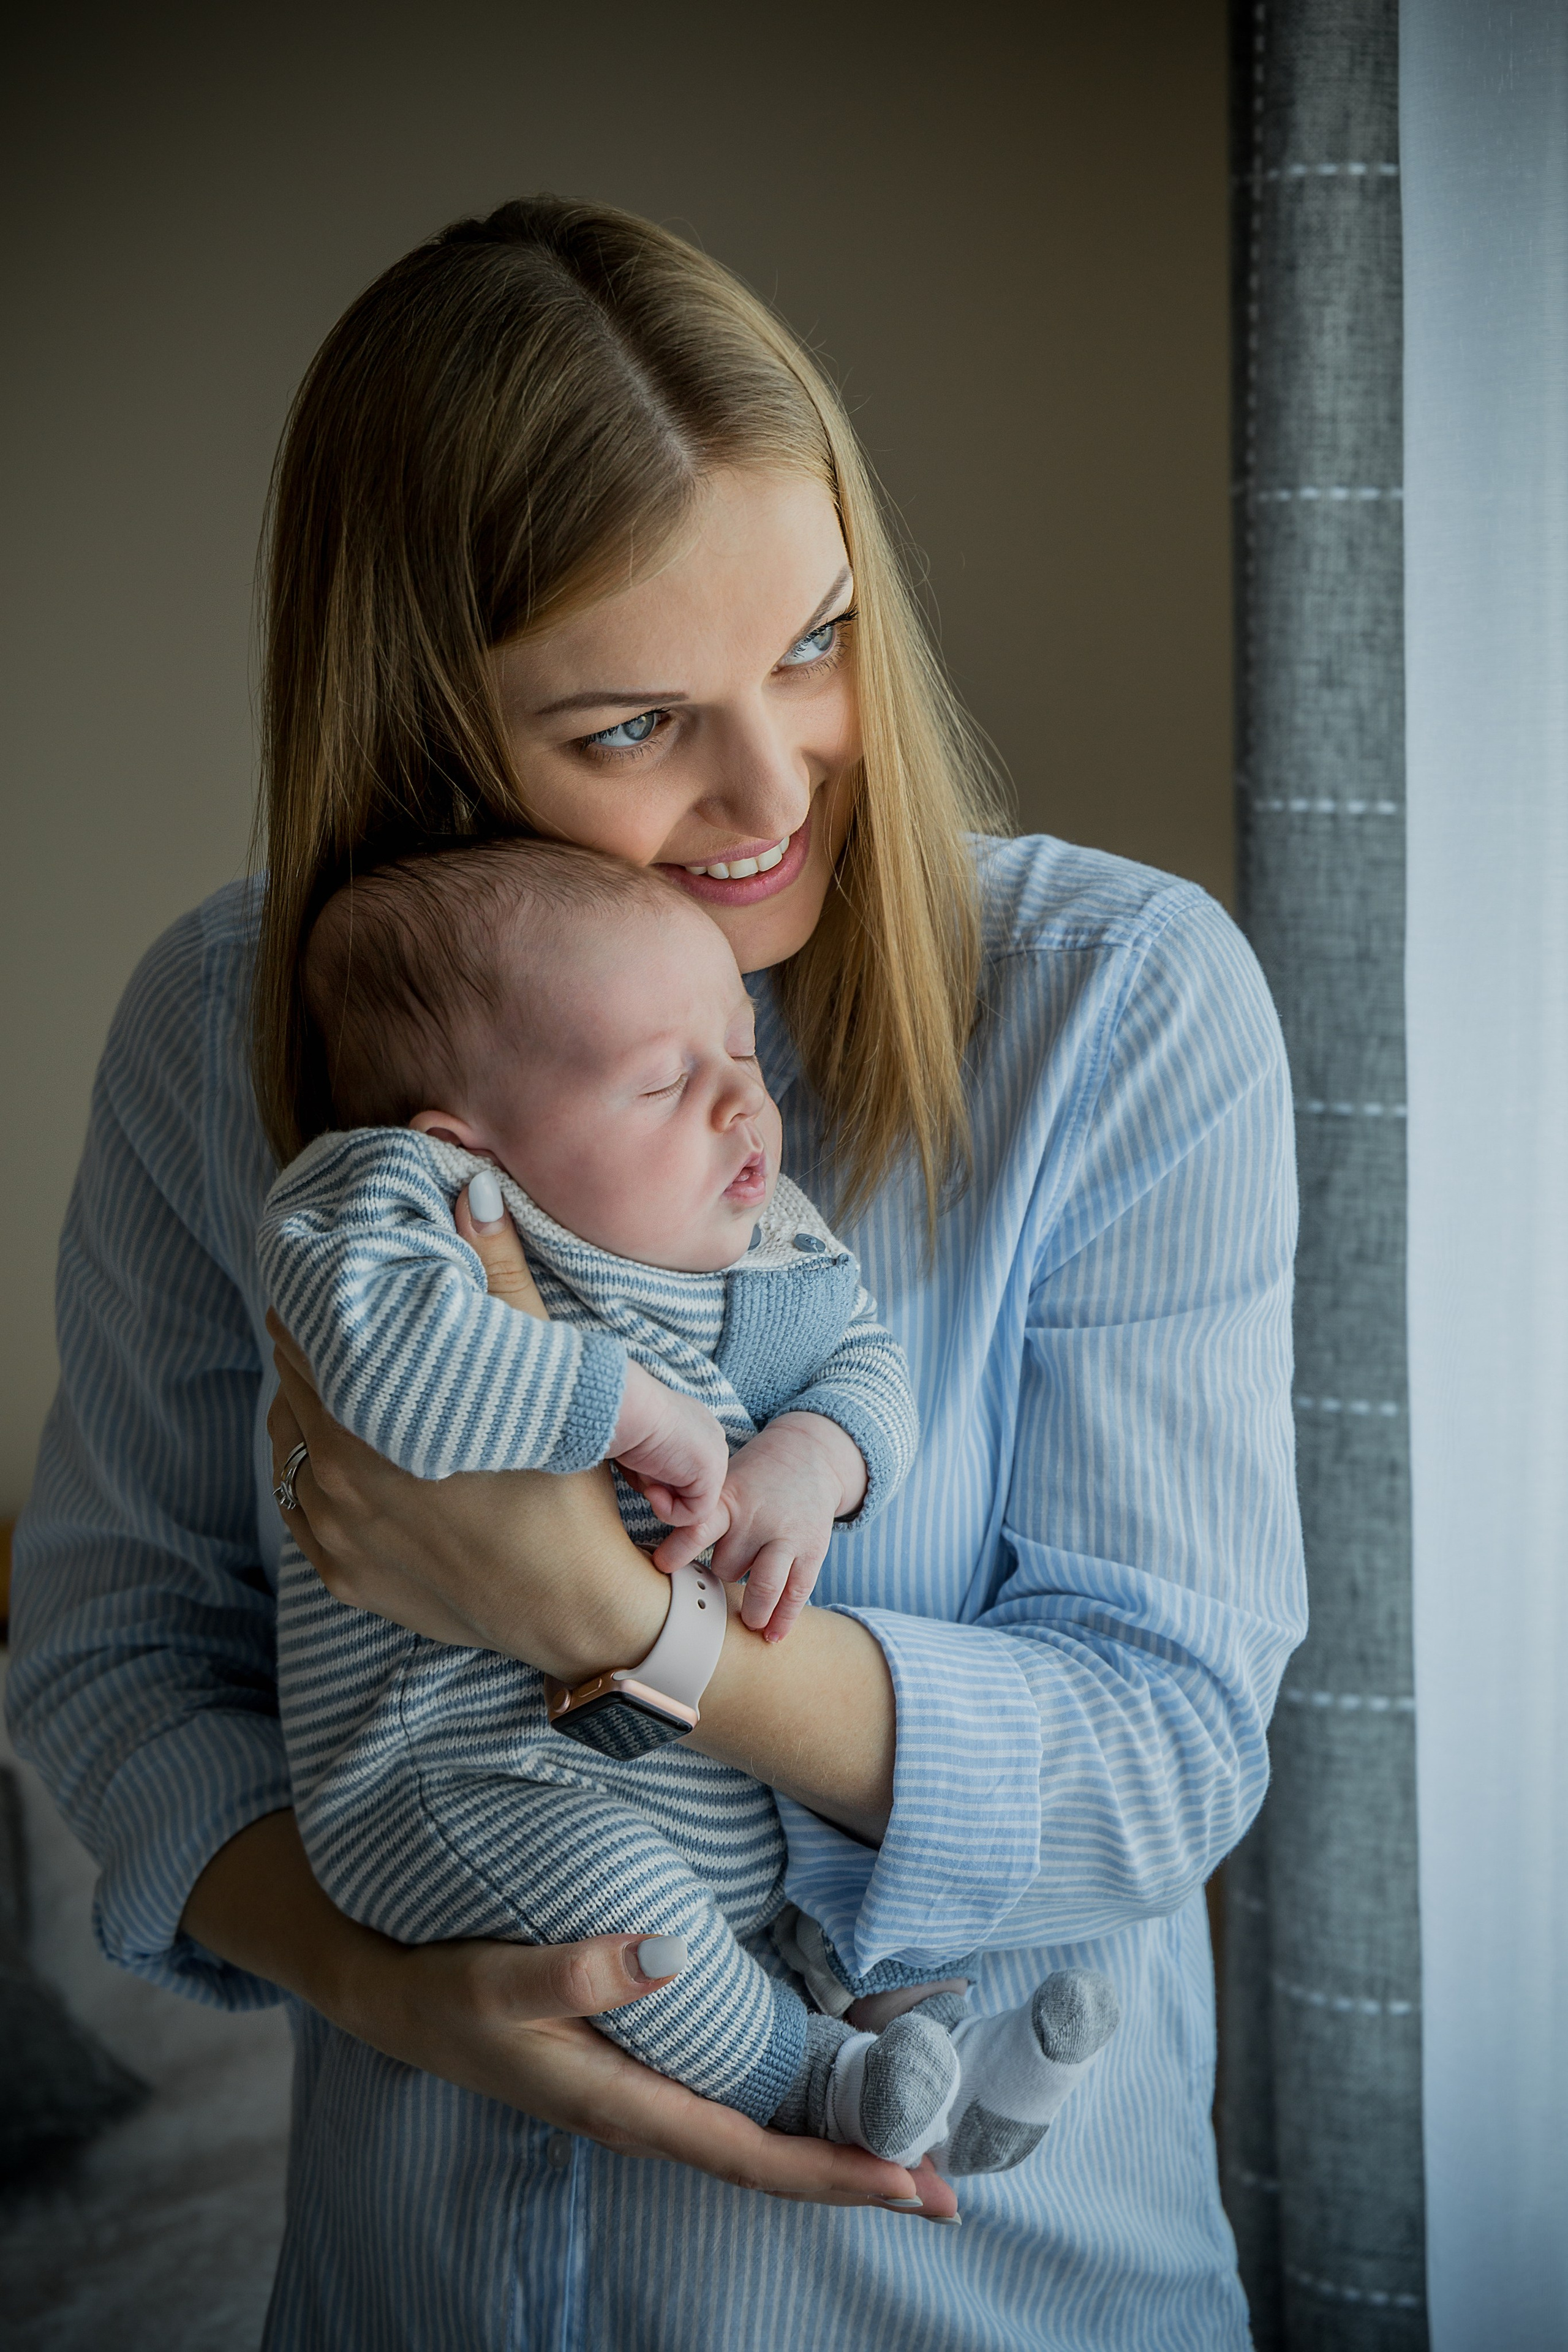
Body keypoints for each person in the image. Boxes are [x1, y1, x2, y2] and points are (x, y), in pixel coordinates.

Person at [7, 195, 1305, 2348]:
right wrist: (387, 1986)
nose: (771, 786)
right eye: (630, 726)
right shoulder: (225, 1033)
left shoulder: (1118, 1008)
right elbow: (119, 1660)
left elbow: (1163, 1752)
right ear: (426, 728)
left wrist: (622, 1619)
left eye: (815, 641)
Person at [259, 833, 1121, 2173]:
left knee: (833, 1842)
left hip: (686, 1765)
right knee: (621, 1908)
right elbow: (384, 1358)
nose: (742, 1109)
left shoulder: (755, 1235)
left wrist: (815, 1458)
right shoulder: (398, 1199)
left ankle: (947, 2055)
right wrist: (622, 1407)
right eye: (665, 1081)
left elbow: (862, 1358)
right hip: (460, 1779)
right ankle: (811, 2082)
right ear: (466, 1140)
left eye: (741, 1053)